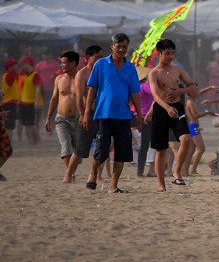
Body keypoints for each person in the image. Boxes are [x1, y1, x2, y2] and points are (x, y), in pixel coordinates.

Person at [82, 33, 144, 193]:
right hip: (103, 114)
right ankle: (93, 174)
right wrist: (87, 112)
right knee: (102, 150)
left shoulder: (130, 68)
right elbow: (92, 89)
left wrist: (138, 115)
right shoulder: (101, 65)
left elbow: (135, 93)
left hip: (123, 115)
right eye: (119, 46)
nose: (122, 49)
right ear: (112, 46)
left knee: (122, 152)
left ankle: (113, 186)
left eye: (124, 47)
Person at [146, 39, 199, 191]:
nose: (170, 57)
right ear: (159, 53)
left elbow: (193, 86)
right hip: (161, 109)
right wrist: (167, 107)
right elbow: (156, 95)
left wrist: (180, 91)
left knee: (187, 139)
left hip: (177, 108)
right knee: (161, 149)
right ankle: (161, 184)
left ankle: (177, 170)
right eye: (167, 53)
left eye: (172, 53)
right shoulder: (154, 73)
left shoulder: (177, 70)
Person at [44, 51, 83, 182]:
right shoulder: (59, 79)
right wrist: (48, 118)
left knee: (78, 150)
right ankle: (70, 174)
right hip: (61, 119)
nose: (61, 65)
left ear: (73, 63)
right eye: (60, 62)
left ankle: (71, 171)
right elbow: (54, 99)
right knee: (66, 145)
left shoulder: (82, 78)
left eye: (64, 62)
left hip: (79, 119)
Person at [15, 56, 41, 146]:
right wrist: (24, 56)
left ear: (29, 64)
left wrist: (37, 102)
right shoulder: (23, 74)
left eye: (24, 64)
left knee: (31, 124)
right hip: (23, 102)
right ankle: (30, 141)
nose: (23, 66)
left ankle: (36, 141)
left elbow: (37, 89)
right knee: (26, 123)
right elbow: (17, 66)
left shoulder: (35, 74)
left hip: (31, 102)